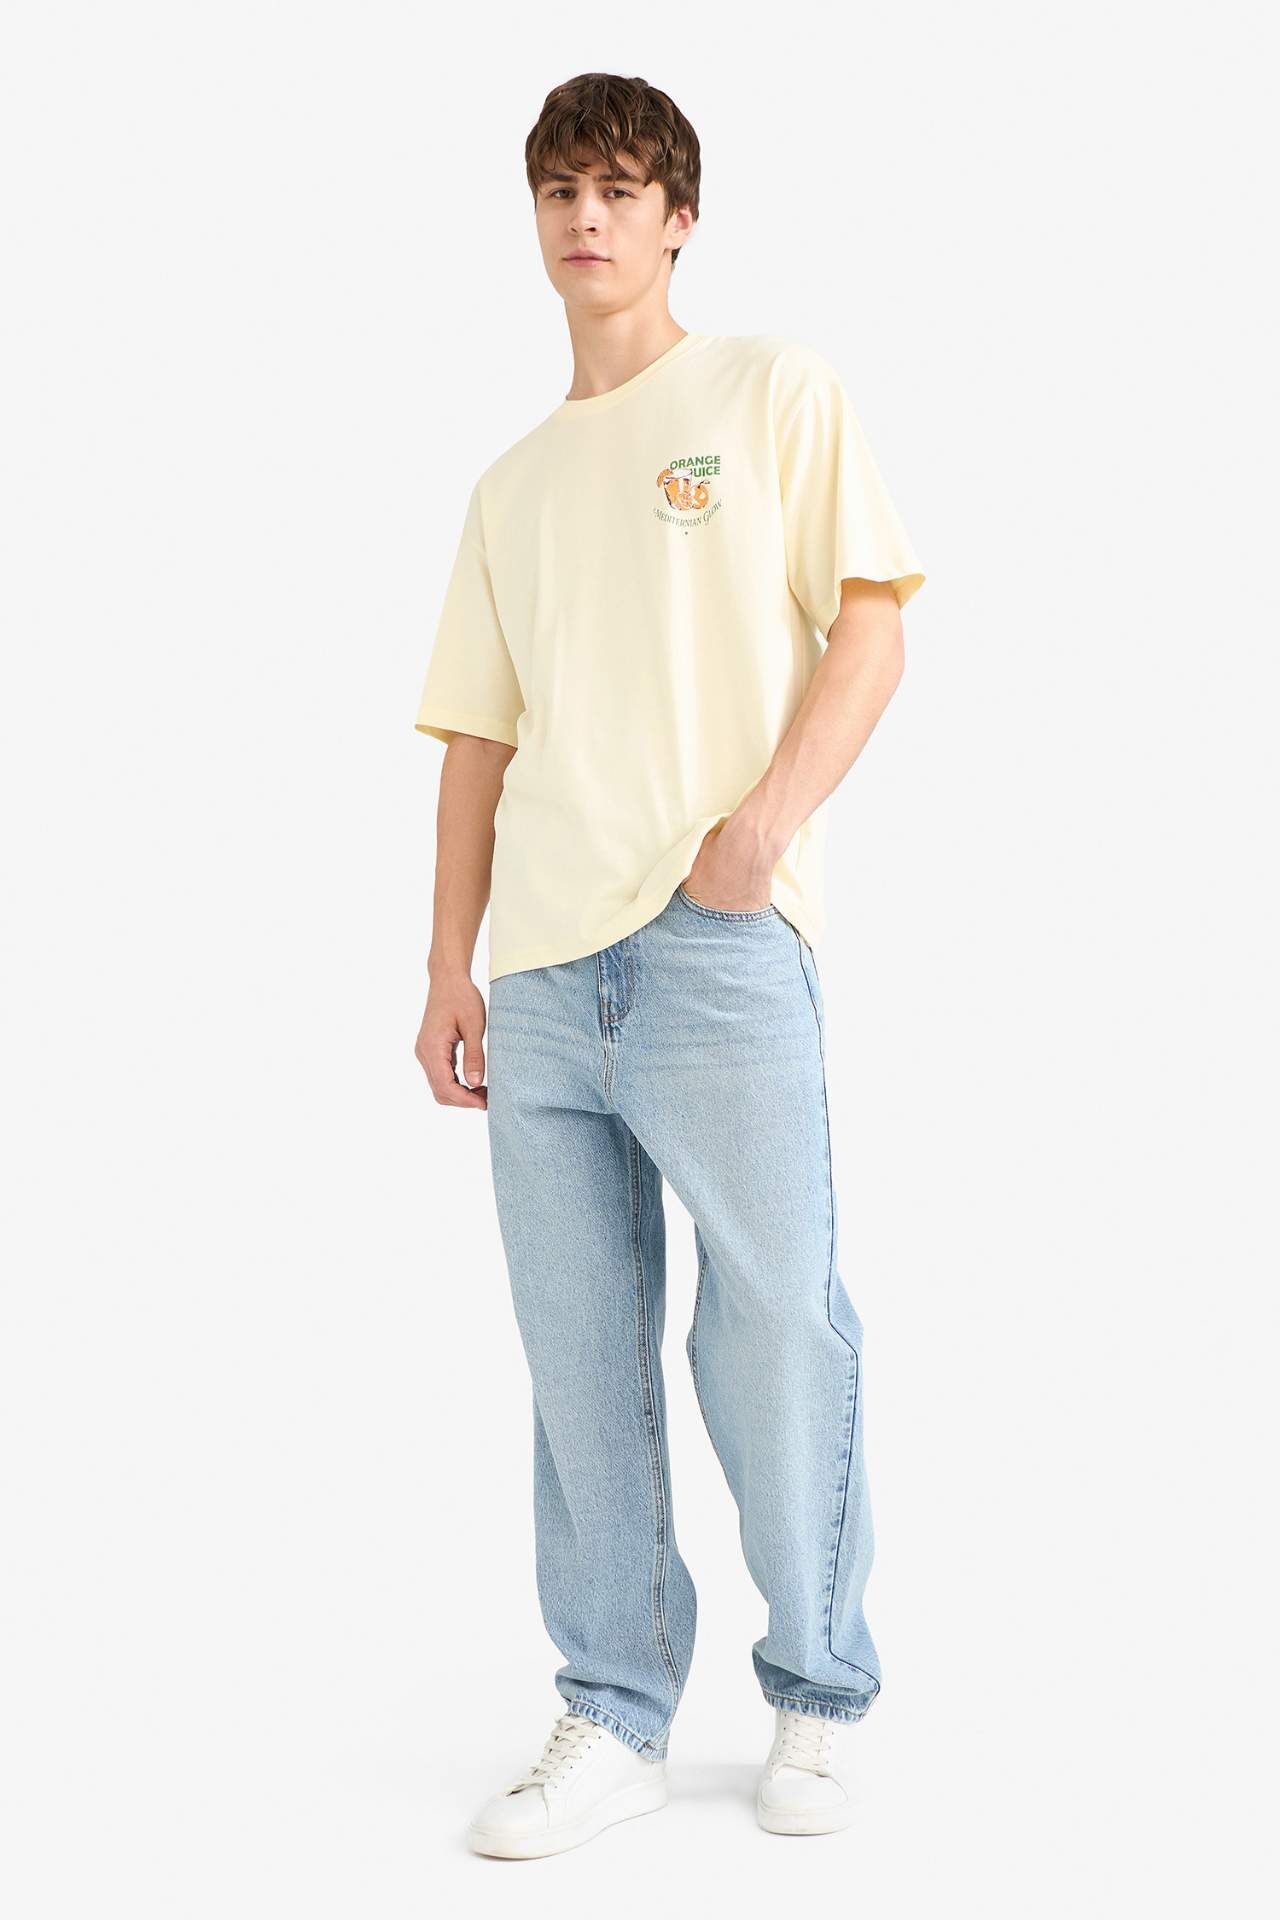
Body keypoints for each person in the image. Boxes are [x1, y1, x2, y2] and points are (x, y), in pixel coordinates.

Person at [413, 70, 926, 1858]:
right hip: (546, 985)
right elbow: (478, 743)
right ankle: (615, 1707)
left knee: (776, 1322)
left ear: (679, 217)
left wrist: (760, 834)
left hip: (718, 948)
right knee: (581, 1365)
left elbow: (872, 626)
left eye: (623, 188)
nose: (589, 216)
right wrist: (449, 967)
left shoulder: (771, 393)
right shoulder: (510, 486)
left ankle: (818, 1693)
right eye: (563, 188)